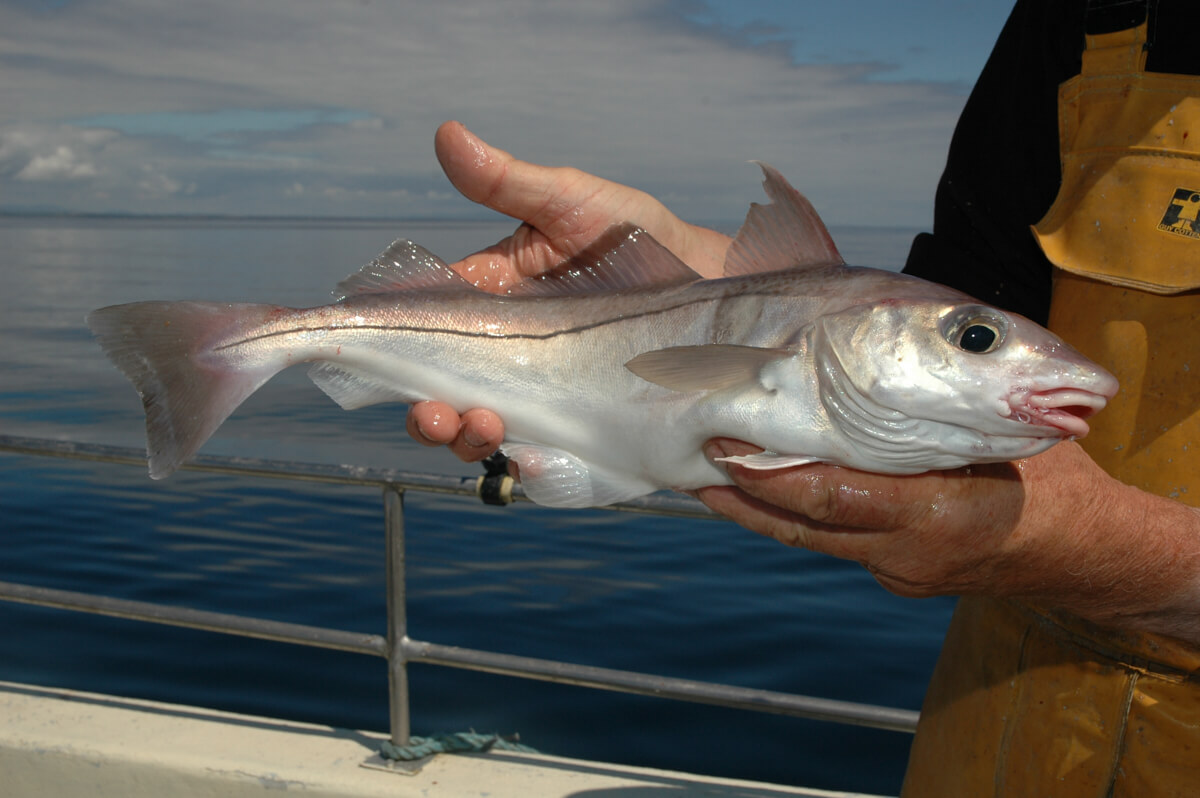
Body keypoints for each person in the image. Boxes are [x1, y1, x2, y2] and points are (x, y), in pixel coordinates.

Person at [408, 1, 1199, 793]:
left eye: (977, 338)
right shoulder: (1082, 16)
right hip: (987, 739)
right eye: (981, 340)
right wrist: (686, 276)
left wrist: (1105, 549)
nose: (1090, 380)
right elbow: (926, 293)